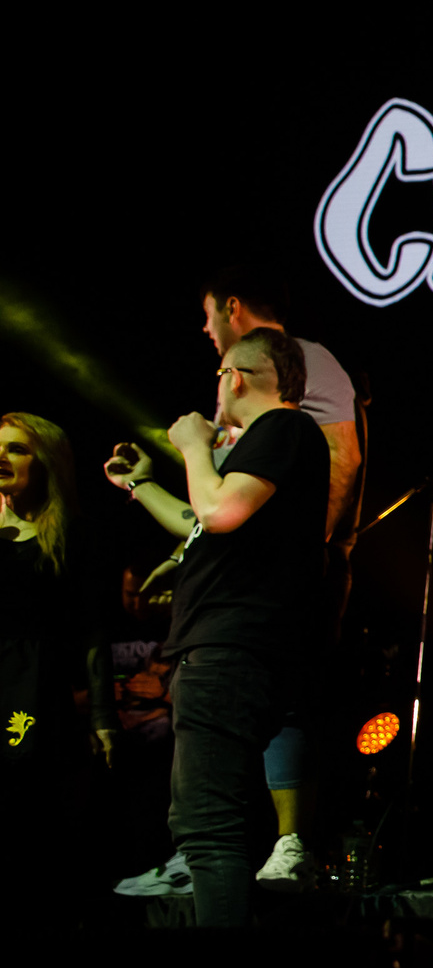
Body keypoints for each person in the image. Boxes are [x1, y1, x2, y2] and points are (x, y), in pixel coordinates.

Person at [105, 328, 329, 925]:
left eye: (220, 374)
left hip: (228, 652)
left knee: (205, 826)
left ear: (236, 376)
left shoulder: (283, 428)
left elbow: (217, 509)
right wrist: (140, 485)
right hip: (235, 653)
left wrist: (191, 446)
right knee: (213, 822)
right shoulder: (272, 450)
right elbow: (197, 519)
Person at [199, 267, 365, 890]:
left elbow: (341, 455)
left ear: (232, 306)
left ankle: (289, 845)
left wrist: (306, 549)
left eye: (208, 313)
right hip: (240, 575)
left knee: (287, 698)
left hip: (284, 575)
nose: (204, 330)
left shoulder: (300, 360)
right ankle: (214, 844)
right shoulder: (249, 383)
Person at [3, 413, 116, 903]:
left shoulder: (72, 536)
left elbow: (93, 633)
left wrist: (102, 716)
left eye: (16, 449)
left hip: (30, 691)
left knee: (28, 820)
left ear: (45, 462)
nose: (1, 458)